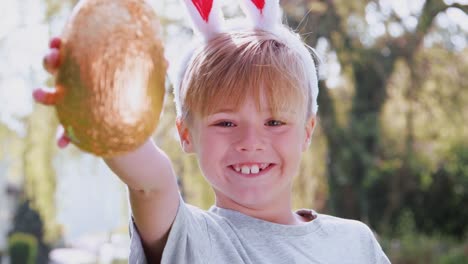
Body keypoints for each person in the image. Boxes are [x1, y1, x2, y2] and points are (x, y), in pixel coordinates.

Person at [34, 0, 391, 263]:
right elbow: (150, 181)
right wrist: (103, 107)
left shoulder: (355, 243)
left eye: (275, 122)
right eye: (225, 123)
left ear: (307, 131)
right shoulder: (192, 241)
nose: (251, 142)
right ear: (186, 133)